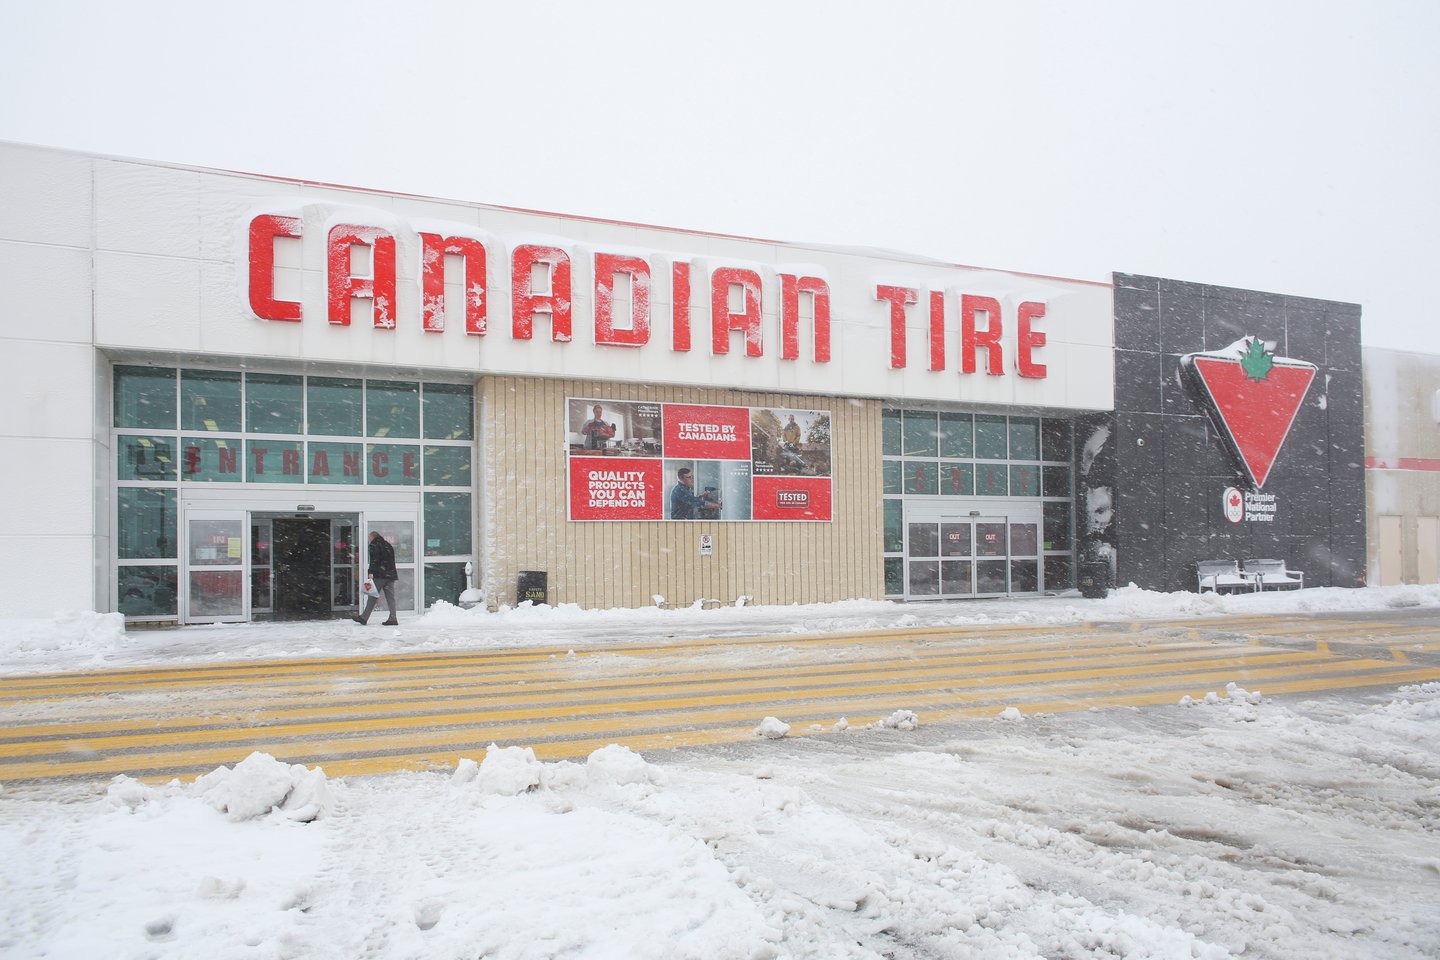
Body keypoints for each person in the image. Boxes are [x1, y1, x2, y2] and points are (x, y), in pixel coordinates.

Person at [353, 529, 399, 625]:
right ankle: (393, 618)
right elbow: (391, 560)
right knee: (390, 597)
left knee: (372, 596)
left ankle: (364, 618)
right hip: (390, 575)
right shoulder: (388, 545)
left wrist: (371, 573)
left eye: (369, 538)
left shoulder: (375, 544)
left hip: (379, 575)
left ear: (372, 537)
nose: (369, 540)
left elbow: (374, 560)